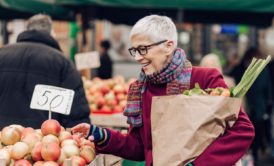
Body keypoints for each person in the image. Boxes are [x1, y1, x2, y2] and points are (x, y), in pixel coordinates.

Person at [71, 15, 254, 166]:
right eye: (134, 50)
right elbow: (139, 147)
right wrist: (100, 134)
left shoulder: (205, 79)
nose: (138, 58)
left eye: (143, 49)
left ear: (168, 46)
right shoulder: (139, 89)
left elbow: (242, 131)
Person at [0, 14, 90, 129]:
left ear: (26, 29)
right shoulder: (63, 62)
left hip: (3, 138)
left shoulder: (2, 54)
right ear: (52, 33)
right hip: (44, 140)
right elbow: (76, 112)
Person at [230, 47, 273, 164]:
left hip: (255, 108)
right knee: (249, 132)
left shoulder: (261, 71)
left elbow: (268, 90)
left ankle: (252, 156)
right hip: (247, 107)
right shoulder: (242, 69)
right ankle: (250, 156)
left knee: (254, 133)